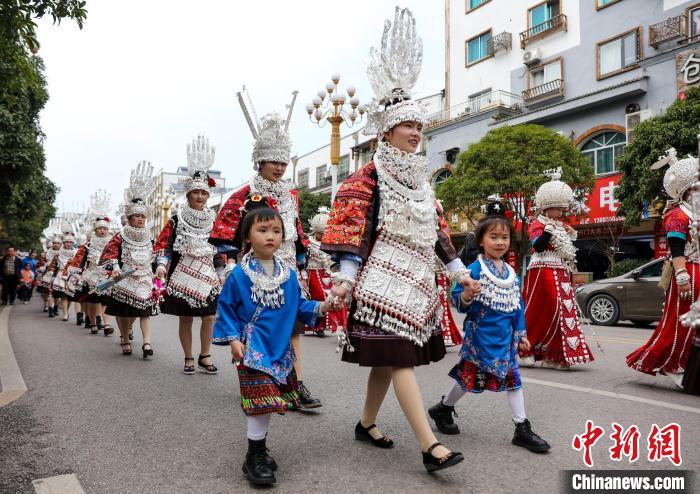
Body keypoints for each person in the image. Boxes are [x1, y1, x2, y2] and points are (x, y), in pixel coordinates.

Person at [321, 7, 470, 473]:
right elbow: (352, 232)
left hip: (418, 282)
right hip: (381, 284)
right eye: (409, 126)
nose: (416, 133)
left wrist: (461, 274)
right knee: (400, 358)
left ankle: (366, 423)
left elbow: (438, 233)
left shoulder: (423, 182)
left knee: (387, 360)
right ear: (386, 129)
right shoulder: (365, 178)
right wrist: (345, 279)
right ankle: (429, 446)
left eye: (420, 127)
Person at [210, 100, 321, 408]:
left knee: (292, 327)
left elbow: (296, 237)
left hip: (286, 273)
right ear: (259, 161)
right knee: (254, 331)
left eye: (283, 162)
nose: (279, 167)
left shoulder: (290, 196)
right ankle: (258, 383)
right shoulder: (244, 196)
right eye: (273, 160)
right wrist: (226, 271)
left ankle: (294, 386)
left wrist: (307, 261)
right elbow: (222, 237)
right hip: (253, 274)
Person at [212, 208, 333, 486]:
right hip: (252, 348)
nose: (270, 236)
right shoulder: (239, 276)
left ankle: (259, 449)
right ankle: (254, 455)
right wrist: (232, 339)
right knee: (260, 403)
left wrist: (323, 305)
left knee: (267, 403)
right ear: (247, 236)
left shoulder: (289, 275)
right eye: (262, 230)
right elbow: (226, 308)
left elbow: (300, 306)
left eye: (276, 231)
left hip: (279, 349)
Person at [428, 216, 550, 453]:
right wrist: (466, 295)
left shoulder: (511, 274)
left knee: (514, 380)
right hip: (480, 337)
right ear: (481, 241)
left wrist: (521, 332)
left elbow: (517, 304)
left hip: (506, 340)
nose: (500, 242)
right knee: (468, 378)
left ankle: (521, 427)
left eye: (504, 237)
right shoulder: (473, 269)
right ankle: (443, 408)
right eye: (493, 237)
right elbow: (458, 299)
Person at [628, 149, 698, 389]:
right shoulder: (678, 214)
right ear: (688, 190)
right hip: (688, 272)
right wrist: (682, 276)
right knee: (682, 323)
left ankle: (690, 366)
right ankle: (672, 364)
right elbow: (677, 248)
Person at [155, 136, 220, 375]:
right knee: (186, 318)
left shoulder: (215, 220)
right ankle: (189, 356)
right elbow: (165, 245)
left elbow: (220, 249)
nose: (200, 196)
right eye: (196, 193)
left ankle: (206, 354)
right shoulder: (176, 219)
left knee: (210, 316)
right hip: (182, 272)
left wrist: (224, 270)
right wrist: (162, 265)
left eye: (204, 192)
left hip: (209, 273)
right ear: (188, 195)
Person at [520, 169, 593, 369]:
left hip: (560, 270)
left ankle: (555, 354)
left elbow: (566, 249)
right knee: (545, 309)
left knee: (562, 310)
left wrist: (570, 233)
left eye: (562, 209)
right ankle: (526, 348)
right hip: (542, 270)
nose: (561, 213)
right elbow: (538, 246)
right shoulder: (537, 223)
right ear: (546, 208)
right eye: (557, 209)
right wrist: (548, 231)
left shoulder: (561, 225)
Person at [100, 162, 157, 358]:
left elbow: (155, 255)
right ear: (129, 217)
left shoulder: (150, 236)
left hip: (144, 277)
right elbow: (109, 253)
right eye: (136, 216)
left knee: (144, 311)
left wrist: (159, 268)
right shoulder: (120, 235)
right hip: (124, 276)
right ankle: (124, 339)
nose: (140, 219)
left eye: (143, 216)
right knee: (125, 313)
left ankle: (147, 343)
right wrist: (115, 267)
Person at [65, 193, 115, 336]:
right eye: (100, 228)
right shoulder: (88, 244)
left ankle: (106, 325)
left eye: (105, 228)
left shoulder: (112, 244)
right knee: (93, 302)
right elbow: (79, 259)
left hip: (106, 276)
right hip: (90, 276)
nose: (103, 230)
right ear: (96, 229)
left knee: (105, 302)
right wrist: (75, 274)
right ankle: (93, 323)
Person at [305, 207, 334, 337]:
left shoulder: (329, 243)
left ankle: (322, 325)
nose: (322, 236)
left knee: (329, 298)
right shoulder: (308, 243)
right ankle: (317, 326)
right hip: (313, 272)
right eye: (320, 233)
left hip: (325, 273)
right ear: (315, 231)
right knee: (318, 297)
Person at [48, 233, 79, 321]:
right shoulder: (58, 253)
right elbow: (53, 265)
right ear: (63, 243)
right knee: (63, 295)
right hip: (60, 275)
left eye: (70, 242)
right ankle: (65, 314)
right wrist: (51, 275)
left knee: (70, 296)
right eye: (67, 242)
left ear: (73, 243)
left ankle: (67, 311)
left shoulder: (77, 253)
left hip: (72, 276)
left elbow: (79, 265)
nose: (68, 244)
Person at [36, 238, 61, 314]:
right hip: (47, 274)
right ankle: (48, 307)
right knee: (47, 292)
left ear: (60, 244)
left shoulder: (63, 253)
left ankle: (55, 307)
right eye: (54, 243)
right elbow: (40, 264)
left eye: (57, 243)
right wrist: (45, 266)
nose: (56, 244)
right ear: (52, 243)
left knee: (56, 293)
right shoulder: (46, 253)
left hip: (58, 275)